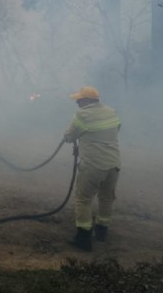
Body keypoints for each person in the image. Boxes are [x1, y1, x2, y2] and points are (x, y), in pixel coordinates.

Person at [64, 86, 121, 252]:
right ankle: (102, 232)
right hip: (114, 163)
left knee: (83, 199)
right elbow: (114, 132)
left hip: (94, 165)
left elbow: (70, 136)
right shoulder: (111, 112)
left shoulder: (83, 115)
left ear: (87, 101)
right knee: (107, 198)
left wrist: (70, 138)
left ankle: (83, 238)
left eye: (79, 100)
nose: (77, 103)